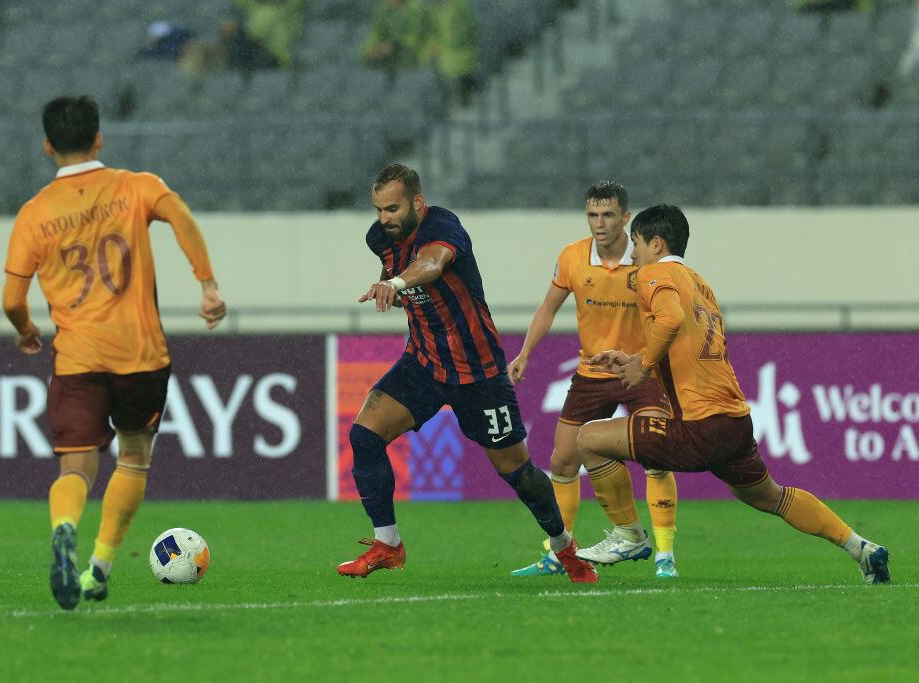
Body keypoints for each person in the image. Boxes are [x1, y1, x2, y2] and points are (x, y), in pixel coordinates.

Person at [574, 204, 890, 585]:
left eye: (637, 244)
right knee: (769, 496)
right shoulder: (699, 283)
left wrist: (641, 367)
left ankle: (628, 535)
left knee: (589, 438)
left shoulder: (654, 274)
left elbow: (670, 321)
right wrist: (636, 358)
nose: (633, 254)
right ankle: (861, 548)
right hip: (734, 421)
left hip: (698, 424)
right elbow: (684, 343)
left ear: (656, 244)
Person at [1, 96, 227, 610]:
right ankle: (98, 568)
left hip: (78, 358)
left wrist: (25, 328)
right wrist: (208, 285)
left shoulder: (35, 214)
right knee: (133, 457)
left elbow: (12, 299)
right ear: (99, 139)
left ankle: (64, 528)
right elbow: (182, 217)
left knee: (75, 470)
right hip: (141, 355)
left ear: (47, 145)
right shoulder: (137, 186)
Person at [338, 163, 598, 584]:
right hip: (423, 363)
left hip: (479, 373)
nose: (383, 218)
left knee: (519, 473)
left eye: (392, 209)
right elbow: (414, 289)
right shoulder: (379, 240)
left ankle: (566, 550)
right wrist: (390, 288)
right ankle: (388, 545)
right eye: (378, 209)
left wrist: (398, 284)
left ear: (417, 204)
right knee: (364, 437)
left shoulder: (444, 227)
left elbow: (432, 265)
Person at [508, 181, 680, 580]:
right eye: (592, 215)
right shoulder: (571, 257)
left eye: (607, 216)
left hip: (640, 371)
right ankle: (558, 552)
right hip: (591, 372)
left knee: (656, 456)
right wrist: (526, 353)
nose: (599, 224)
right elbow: (548, 308)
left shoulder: (645, 260)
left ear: (625, 217)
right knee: (562, 461)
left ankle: (665, 554)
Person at [360, 0, 429, 73]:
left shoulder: (416, 10)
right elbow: (376, 33)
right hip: (389, 55)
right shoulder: (385, 11)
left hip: (412, 56)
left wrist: (393, 45)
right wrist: (368, 51)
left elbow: (414, 38)